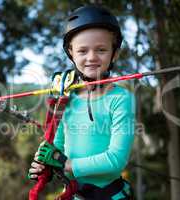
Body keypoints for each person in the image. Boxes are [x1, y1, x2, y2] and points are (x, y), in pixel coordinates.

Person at [29, 5, 135, 200]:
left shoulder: (121, 99)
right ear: (71, 53)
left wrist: (64, 163)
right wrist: (46, 164)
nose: (92, 57)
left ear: (115, 53)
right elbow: (58, 146)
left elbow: (116, 160)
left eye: (101, 49)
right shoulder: (67, 97)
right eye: (82, 51)